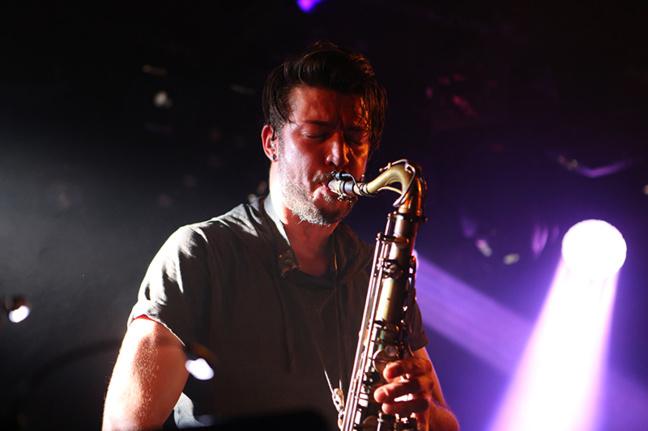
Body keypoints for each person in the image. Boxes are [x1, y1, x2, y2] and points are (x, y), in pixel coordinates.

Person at [102, 42, 459, 431]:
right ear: (272, 142)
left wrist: (425, 414)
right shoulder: (200, 255)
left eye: (355, 136)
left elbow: (447, 424)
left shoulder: (377, 274)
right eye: (317, 134)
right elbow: (124, 427)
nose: (340, 155)